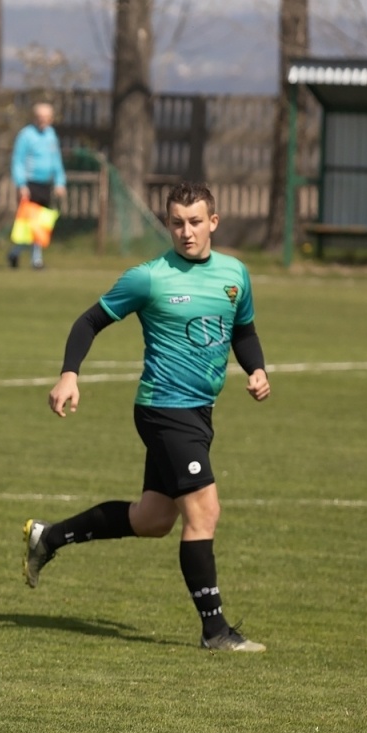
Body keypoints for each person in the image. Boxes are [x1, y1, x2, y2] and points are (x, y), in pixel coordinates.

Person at [21, 182, 269, 652]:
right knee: (204, 512)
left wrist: (256, 368)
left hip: (200, 411)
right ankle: (215, 631)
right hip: (164, 409)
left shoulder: (235, 274)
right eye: (177, 222)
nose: (186, 231)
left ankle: (49, 537)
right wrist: (68, 374)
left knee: (154, 519)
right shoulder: (150, 277)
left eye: (195, 222)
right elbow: (88, 321)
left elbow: (244, 330)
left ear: (213, 222)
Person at [7, 102, 67, 271]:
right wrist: (21, 184)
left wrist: (59, 182)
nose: (43, 121)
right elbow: (17, 161)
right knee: (29, 225)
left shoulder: (51, 135)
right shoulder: (26, 135)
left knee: (41, 224)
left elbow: (56, 160)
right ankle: (31, 258)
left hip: (45, 184)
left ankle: (21, 255)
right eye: (40, 118)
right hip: (30, 184)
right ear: (34, 117)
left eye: (47, 118)